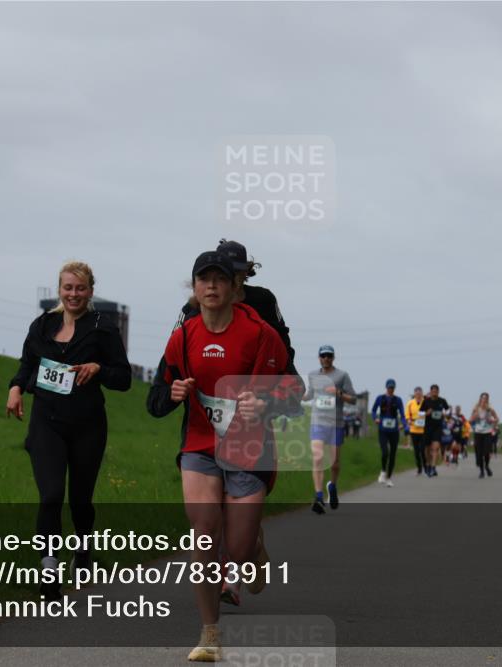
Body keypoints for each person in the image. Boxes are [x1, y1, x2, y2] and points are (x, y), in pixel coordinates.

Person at [146, 251, 301, 662]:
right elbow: (157, 397)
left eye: (219, 279)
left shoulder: (260, 333)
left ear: (235, 287)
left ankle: (253, 549)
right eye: (203, 279)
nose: (211, 286)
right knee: (203, 535)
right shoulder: (183, 335)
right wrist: (174, 392)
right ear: (194, 288)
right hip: (200, 445)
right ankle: (209, 633)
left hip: (248, 446)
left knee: (238, 547)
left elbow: (294, 390)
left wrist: (264, 402)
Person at [6, 261, 131, 600]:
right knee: (50, 496)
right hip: (46, 421)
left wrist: (98, 367)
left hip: (87, 424)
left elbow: (123, 378)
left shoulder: (102, 327)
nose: (73, 294)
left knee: (79, 500)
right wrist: (16, 388)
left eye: (80, 288)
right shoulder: (42, 325)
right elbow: (27, 364)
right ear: (59, 289)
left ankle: (83, 548)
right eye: (67, 288)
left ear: (90, 291)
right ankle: (49, 568)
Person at [169, 239, 304, 407]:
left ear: (246, 271)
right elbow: (174, 351)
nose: (234, 276)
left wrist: (278, 382)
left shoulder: (263, 300)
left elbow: (282, 341)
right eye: (228, 271)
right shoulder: (194, 307)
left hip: (255, 385)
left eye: (239, 271)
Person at [305, 345, 356, 513]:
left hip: (336, 423)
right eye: (323, 355)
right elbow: (310, 395)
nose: (326, 358)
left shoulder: (342, 375)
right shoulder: (313, 375)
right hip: (318, 422)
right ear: (319, 357)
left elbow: (353, 399)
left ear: (333, 357)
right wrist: (296, 394)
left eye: (329, 355)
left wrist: (339, 393)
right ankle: (318, 496)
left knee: (334, 463)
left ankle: (332, 487)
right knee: (318, 457)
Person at [371, 379, 408, 487]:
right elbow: (373, 411)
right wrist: (375, 419)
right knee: (385, 452)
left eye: (392, 388)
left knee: (392, 454)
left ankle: (389, 478)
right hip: (383, 430)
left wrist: (404, 424)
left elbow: (402, 414)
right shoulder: (380, 398)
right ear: (386, 387)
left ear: (394, 388)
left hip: (394, 431)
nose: (391, 389)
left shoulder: (398, 400)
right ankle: (383, 471)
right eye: (389, 387)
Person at [420, 384, 450, 477]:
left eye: (436, 391)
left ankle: (433, 467)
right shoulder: (426, 401)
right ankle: (428, 465)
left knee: (435, 448)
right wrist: (426, 413)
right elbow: (420, 413)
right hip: (428, 427)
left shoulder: (442, 401)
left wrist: (445, 415)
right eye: (433, 391)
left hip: (438, 427)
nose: (435, 393)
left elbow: (448, 410)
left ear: (438, 392)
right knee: (427, 450)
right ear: (431, 391)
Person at [471, 392, 500, 478]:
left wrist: (493, 423)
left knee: (487, 452)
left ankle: (487, 466)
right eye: (482, 398)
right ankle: (482, 471)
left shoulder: (490, 410)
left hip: (487, 433)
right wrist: (474, 418)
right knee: (479, 453)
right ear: (480, 399)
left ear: (487, 400)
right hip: (478, 433)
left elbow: (497, 419)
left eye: (486, 398)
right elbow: (470, 420)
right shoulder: (476, 409)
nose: (484, 400)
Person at [405, 387, 427, 475]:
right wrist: (408, 420)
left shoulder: (426, 402)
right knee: (416, 450)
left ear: (422, 394)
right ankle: (419, 467)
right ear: (414, 394)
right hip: (414, 429)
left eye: (419, 393)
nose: (418, 395)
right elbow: (407, 414)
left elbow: (429, 411)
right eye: (416, 393)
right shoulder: (410, 403)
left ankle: (425, 467)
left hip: (423, 430)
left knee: (422, 450)